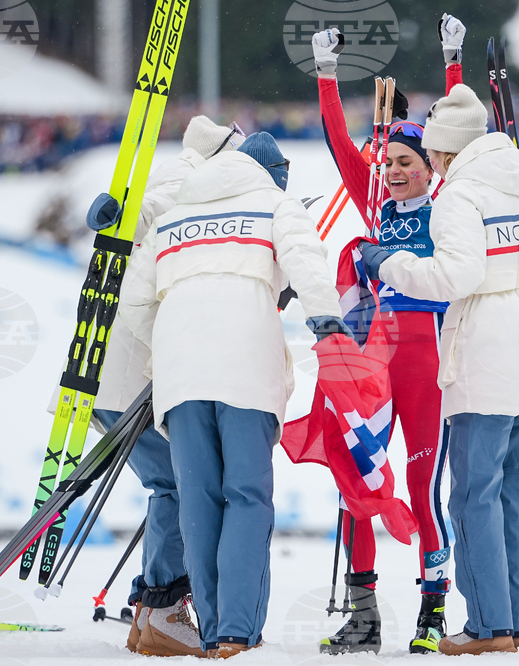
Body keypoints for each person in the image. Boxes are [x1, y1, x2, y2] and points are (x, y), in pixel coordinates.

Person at [358, 84, 519, 655]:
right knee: (513, 495)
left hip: (485, 356)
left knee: (472, 497)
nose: (430, 163)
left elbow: (450, 279)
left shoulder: (461, 198)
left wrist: (391, 263)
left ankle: (487, 628)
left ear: (449, 151)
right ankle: (515, 624)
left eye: (432, 153)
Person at [120, 132, 347, 659]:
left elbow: (134, 303)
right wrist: (327, 321)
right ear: (272, 174)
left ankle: (213, 626)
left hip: (180, 374)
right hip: (245, 366)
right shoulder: (274, 201)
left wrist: (173, 334)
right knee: (245, 496)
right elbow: (307, 260)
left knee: (198, 500)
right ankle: (236, 635)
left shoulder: (176, 213)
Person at [309, 13, 466, 655]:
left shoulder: (448, 203)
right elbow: (338, 140)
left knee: (424, 488)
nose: (396, 171)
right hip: (374, 362)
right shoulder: (373, 198)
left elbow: (456, 118)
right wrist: (326, 73)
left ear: (430, 165)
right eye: (390, 162)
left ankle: (432, 612)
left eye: (408, 161)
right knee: (358, 483)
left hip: (425, 359)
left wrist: (452, 58)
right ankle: (364, 614)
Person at [84, 115, 244, 657]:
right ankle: (162, 608)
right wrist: (116, 217)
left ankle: (150, 614)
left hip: (115, 376)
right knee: (179, 485)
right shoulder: (182, 188)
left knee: (172, 484)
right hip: (136, 375)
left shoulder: (180, 183)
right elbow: (145, 215)